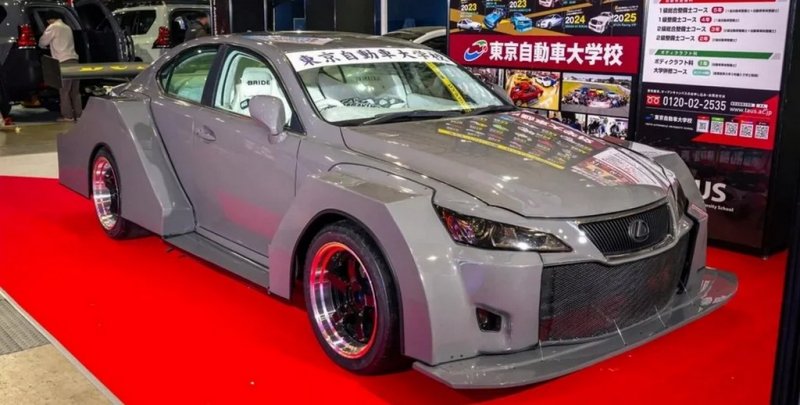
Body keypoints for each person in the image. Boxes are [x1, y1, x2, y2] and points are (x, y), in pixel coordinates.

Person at [39, 12, 81, 122]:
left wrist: (42, 46)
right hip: (74, 61)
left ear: (50, 19)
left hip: (63, 62)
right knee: (75, 91)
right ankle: (79, 114)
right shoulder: (67, 27)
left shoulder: (53, 27)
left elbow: (43, 42)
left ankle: (67, 116)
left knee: (64, 91)